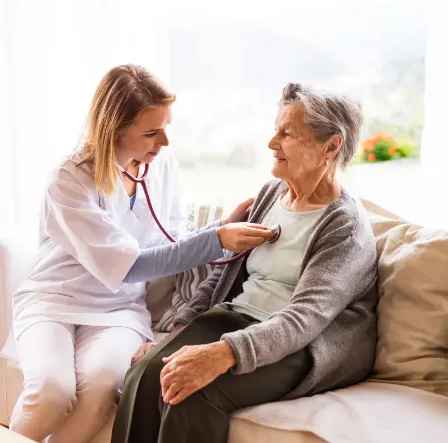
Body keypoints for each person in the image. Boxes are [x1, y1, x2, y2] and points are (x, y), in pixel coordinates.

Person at [8, 64, 275, 443]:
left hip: (118, 309)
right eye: (151, 132)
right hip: (54, 300)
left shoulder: (161, 165)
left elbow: (171, 239)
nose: (164, 142)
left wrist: (220, 230)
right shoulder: (70, 180)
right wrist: (216, 239)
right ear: (113, 131)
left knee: (102, 388)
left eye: (166, 127)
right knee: (51, 391)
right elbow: (133, 266)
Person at [112, 82, 379, 443]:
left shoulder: (344, 226)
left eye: (287, 134)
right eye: (276, 130)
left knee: (189, 393)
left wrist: (224, 353)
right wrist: (179, 331)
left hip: (303, 346)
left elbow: (305, 319)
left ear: (331, 146)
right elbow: (226, 271)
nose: (272, 144)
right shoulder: (272, 194)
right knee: (145, 373)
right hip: (237, 319)